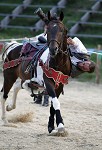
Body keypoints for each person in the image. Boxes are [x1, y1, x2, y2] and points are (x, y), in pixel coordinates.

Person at [33, 35, 95, 106]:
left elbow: (65, 74)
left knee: (52, 79)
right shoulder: (83, 53)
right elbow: (78, 45)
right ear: (87, 61)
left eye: (83, 68)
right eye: (84, 64)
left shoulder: (76, 72)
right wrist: (73, 42)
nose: (82, 65)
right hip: (59, 50)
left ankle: (46, 98)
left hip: (58, 67)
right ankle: (39, 98)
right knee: (43, 41)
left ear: (85, 71)